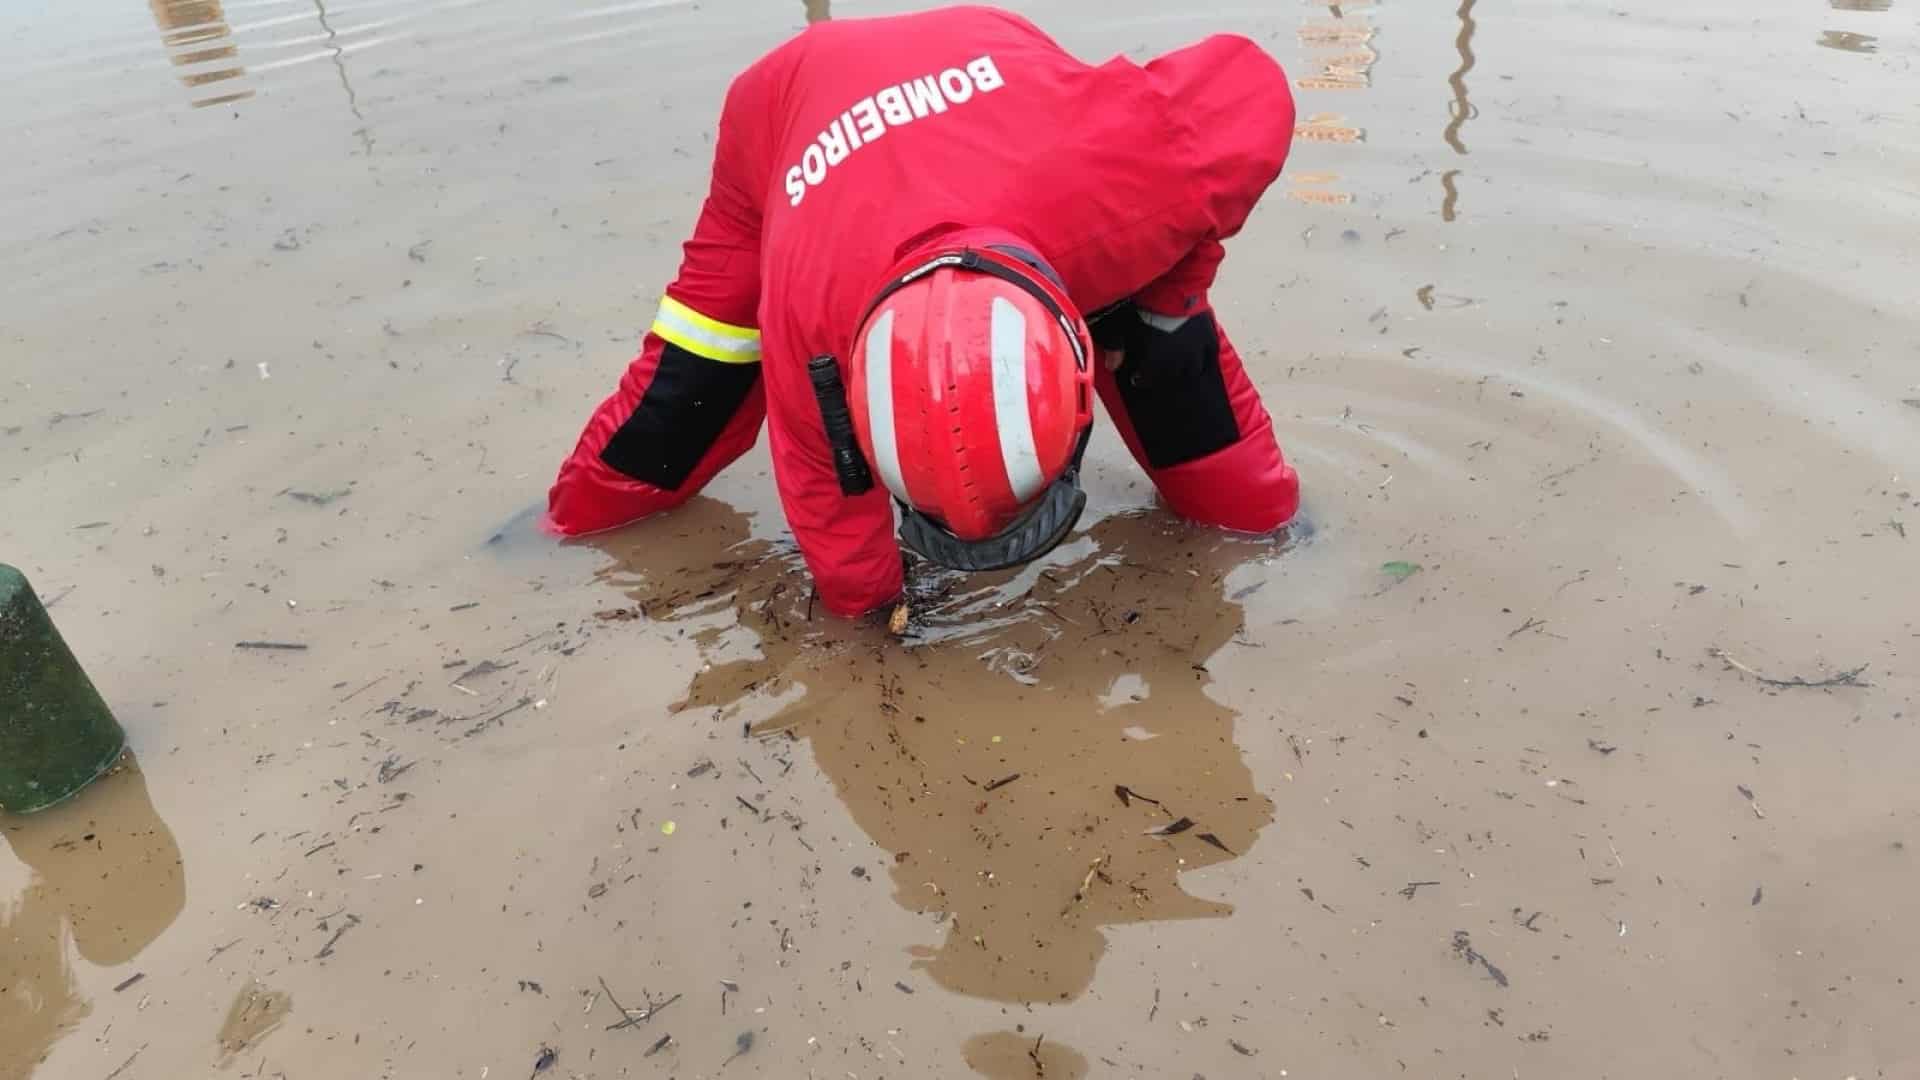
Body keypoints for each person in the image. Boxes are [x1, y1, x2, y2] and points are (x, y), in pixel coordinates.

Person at [544, 4, 1302, 618]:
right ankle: (550, 536)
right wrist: (872, 615)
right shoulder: (813, 333)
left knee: (1214, 447)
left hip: (1004, 93)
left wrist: (1169, 286)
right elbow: (828, 505)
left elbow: (1250, 87)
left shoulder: (1132, 184)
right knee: (689, 389)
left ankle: (1253, 503)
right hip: (782, 110)